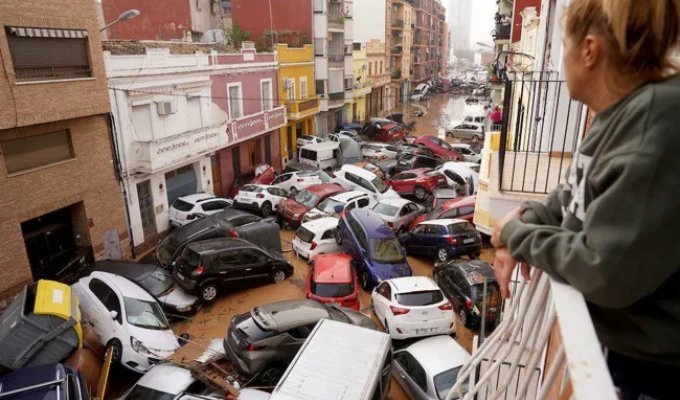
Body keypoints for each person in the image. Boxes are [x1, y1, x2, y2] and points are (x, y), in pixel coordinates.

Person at [490, 0, 680, 399]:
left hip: (657, 375)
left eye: (564, 43)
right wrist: (523, 222)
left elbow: (603, 270)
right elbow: (569, 195)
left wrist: (518, 234)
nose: (562, 55)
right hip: (628, 355)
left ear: (590, 50)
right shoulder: (620, 114)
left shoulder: (653, 127)